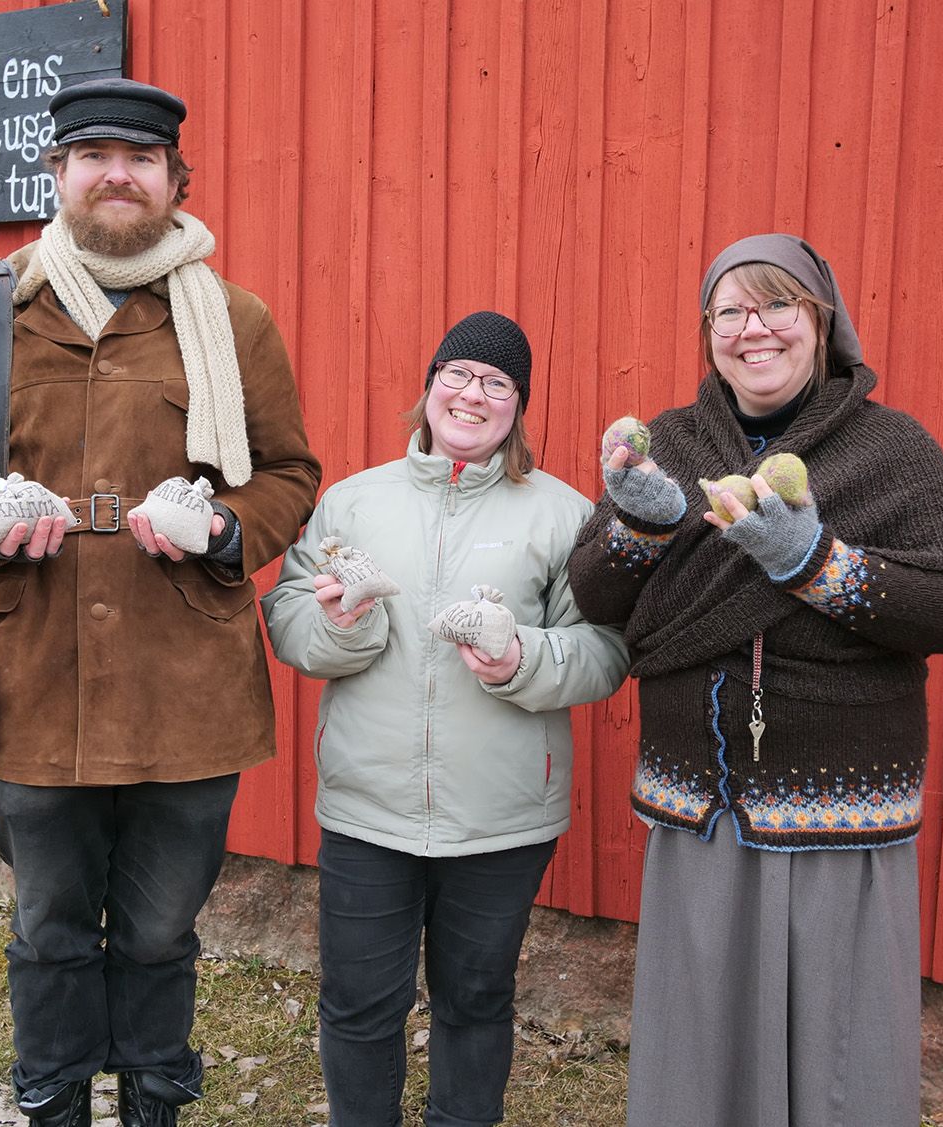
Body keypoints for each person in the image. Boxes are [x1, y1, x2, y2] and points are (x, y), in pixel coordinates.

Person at [0, 78, 320, 1127]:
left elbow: (288, 476)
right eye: (94, 157)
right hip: (31, 678)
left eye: (139, 158)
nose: (116, 174)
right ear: (58, 174)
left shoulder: (233, 318)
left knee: (163, 927)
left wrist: (224, 528)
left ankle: (154, 1103)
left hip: (188, 684)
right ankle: (56, 1102)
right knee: (48, 925)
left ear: (177, 181)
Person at [567, 235, 943, 1126]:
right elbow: (599, 597)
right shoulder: (672, 443)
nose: (752, 329)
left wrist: (814, 561)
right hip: (702, 810)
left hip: (840, 809)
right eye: (730, 311)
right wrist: (639, 529)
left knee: (839, 1054)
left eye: (777, 306)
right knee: (700, 1049)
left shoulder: (892, 449)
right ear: (709, 331)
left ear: (820, 322)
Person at [263, 312, 629, 1127]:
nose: (473, 393)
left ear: (518, 406)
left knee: (474, 999)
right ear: (429, 388)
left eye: (497, 382)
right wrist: (344, 625)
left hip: (499, 818)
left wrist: (519, 659)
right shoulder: (351, 503)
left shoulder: (564, 515)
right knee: (359, 1001)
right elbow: (288, 619)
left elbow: (604, 650)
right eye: (458, 374)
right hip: (368, 808)